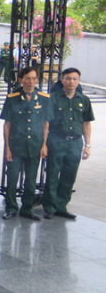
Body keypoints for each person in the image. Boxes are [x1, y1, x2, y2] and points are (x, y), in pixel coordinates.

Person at [0, 67, 52, 221]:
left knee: (30, 179)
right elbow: (7, 124)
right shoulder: (12, 98)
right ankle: (11, 207)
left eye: (34, 78)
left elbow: (45, 124)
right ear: (21, 80)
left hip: (35, 145)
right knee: (12, 177)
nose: (31, 82)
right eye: (28, 78)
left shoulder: (44, 98)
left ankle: (27, 208)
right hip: (16, 145)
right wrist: (7, 147)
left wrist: (44, 145)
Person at [44, 68, 94, 219]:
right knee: (52, 174)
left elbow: (86, 123)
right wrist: (44, 144)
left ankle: (61, 206)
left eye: (74, 79)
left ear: (78, 81)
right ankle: (50, 207)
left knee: (69, 175)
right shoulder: (52, 98)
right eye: (68, 78)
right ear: (62, 80)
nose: (71, 82)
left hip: (75, 143)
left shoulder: (84, 100)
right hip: (56, 140)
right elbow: (45, 122)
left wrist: (88, 145)